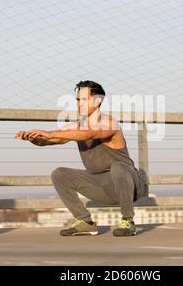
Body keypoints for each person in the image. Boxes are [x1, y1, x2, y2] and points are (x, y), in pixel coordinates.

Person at [14, 80, 149, 236]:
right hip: (101, 186)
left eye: (84, 99)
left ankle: (128, 221)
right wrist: (33, 138)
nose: (80, 104)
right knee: (60, 174)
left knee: (118, 167)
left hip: (129, 185)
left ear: (98, 101)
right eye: (78, 100)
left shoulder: (109, 122)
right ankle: (85, 222)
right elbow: (49, 141)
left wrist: (50, 133)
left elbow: (90, 133)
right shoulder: (75, 126)